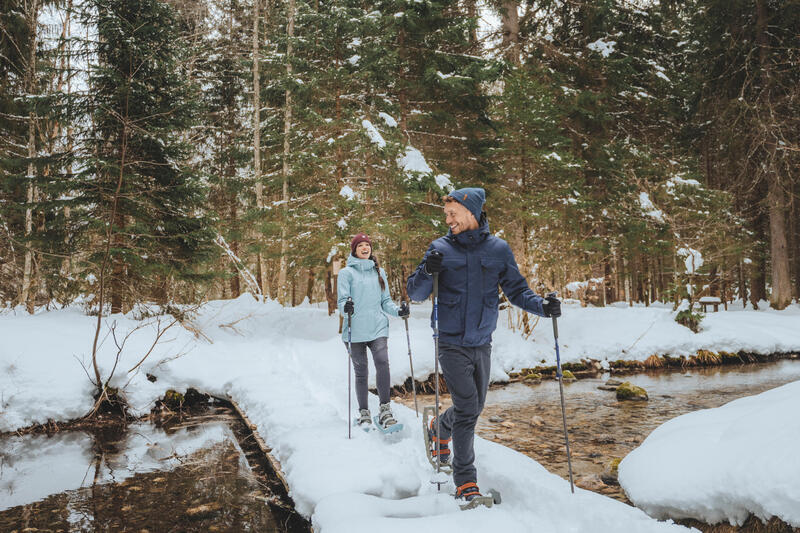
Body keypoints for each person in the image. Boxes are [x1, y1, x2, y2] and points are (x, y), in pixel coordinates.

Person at [406, 187, 561, 503]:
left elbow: (517, 291)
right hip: (450, 342)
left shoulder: (498, 250)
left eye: (453, 214)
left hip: (482, 341)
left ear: (472, 212)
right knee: (466, 408)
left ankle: (438, 428)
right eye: (446, 215)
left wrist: (543, 307)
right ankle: (466, 482)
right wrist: (427, 270)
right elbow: (416, 293)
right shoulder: (439, 249)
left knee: (474, 408)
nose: (448, 220)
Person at [338, 232, 410, 430]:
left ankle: (385, 410)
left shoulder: (379, 272)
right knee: (361, 372)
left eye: (367, 245)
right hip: (355, 330)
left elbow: (385, 301)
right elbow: (342, 302)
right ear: (354, 250)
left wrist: (398, 311)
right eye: (360, 245)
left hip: (378, 326)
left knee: (382, 363)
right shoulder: (346, 273)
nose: (364, 248)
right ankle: (364, 413)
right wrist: (347, 308)